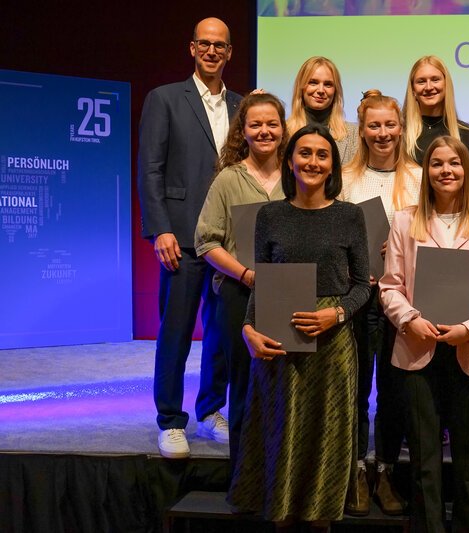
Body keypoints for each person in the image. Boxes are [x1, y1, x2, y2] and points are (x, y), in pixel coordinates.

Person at [228, 124, 371, 532]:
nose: (312, 161)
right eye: (304, 153)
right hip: (279, 336)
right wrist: (248, 328)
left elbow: (363, 286)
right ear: (290, 161)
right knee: (282, 435)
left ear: (332, 165)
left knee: (324, 440)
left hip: (332, 343)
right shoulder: (270, 215)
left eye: (322, 155)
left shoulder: (350, 215)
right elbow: (263, 279)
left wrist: (337, 315)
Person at [379, 136, 469, 533]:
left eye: (454, 163)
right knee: (424, 461)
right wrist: (409, 319)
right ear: (427, 172)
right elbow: (390, 287)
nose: (446, 171)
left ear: (467, 170)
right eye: (437, 164)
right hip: (417, 349)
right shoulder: (405, 221)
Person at [137, 17, 241, 459]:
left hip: (229, 241)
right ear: (192, 49)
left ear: (230, 52)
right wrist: (160, 227)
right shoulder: (164, 99)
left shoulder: (241, 105)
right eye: (205, 44)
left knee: (222, 334)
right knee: (176, 332)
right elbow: (150, 169)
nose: (212, 51)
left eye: (220, 45)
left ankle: (211, 411)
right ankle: (169, 420)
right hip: (180, 235)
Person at [194, 90, 286, 472]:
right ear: (242, 131)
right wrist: (247, 275)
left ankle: (281, 479)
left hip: (287, 294)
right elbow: (206, 242)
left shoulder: (298, 176)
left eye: (272, 124)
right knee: (245, 388)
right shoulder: (228, 180)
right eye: (255, 125)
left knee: (284, 388)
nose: (264, 131)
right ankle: (244, 480)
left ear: (283, 128)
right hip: (237, 292)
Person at [340, 89, 422, 516]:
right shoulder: (345, 178)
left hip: (403, 300)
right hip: (357, 297)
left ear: (402, 128)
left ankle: (386, 469)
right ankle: (355, 469)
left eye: (391, 124)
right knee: (354, 389)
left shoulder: (420, 177)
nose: (383, 132)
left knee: (394, 391)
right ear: (362, 129)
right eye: (374, 125)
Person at [402, 55, 469, 166]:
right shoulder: (400, 133)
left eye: (435, 80)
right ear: (413, 90)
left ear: (446, 84)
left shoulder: (467, 134)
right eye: (421, 81)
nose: (429, 87)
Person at [286, 56, 360, 165]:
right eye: (313, 82)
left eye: (328, 84)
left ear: (336, 90)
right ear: (301, 87)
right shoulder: (284, 132)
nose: (321, 90)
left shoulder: (354, 134)